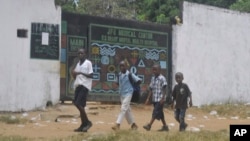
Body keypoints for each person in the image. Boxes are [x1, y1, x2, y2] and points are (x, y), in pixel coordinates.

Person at [112, 60, 141, 130]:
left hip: (128, 93)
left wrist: (134, 85)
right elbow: (116, 83)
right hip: (122, 94)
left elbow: (139, 80)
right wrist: (115, 85)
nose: (122, 67)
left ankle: (117, 124)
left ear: (126, 66)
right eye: (120, 66)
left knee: (123, 108)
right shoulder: (119, 75)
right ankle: (134, 125)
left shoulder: (129, 74)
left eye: (123, 66)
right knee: (127, 110)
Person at [71, 48, 93, 132]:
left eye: (82, 53)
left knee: (78, 104)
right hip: (78, 85)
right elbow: (75, 76)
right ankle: (83, 125)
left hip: (85, 86)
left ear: (85, 54)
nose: (80, 55)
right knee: (79, 105)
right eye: (79, 53)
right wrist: (74, 73)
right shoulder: (78, 64)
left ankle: (87, 122)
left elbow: (91, 75)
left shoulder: (88, 63)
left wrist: (80, 73)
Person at [143, 64, 169, 131]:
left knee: (155, 111)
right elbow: (151, 89)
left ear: (160, 70)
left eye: (155, 70)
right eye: (153, 69)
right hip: (154, 99)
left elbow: (164, 89)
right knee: (160, 113)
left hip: (160, 99)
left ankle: (149, 125)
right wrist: (148, 98)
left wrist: (163, 98)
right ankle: (165, 127)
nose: (154, 71)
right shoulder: (153, 78)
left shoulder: (162, 78)